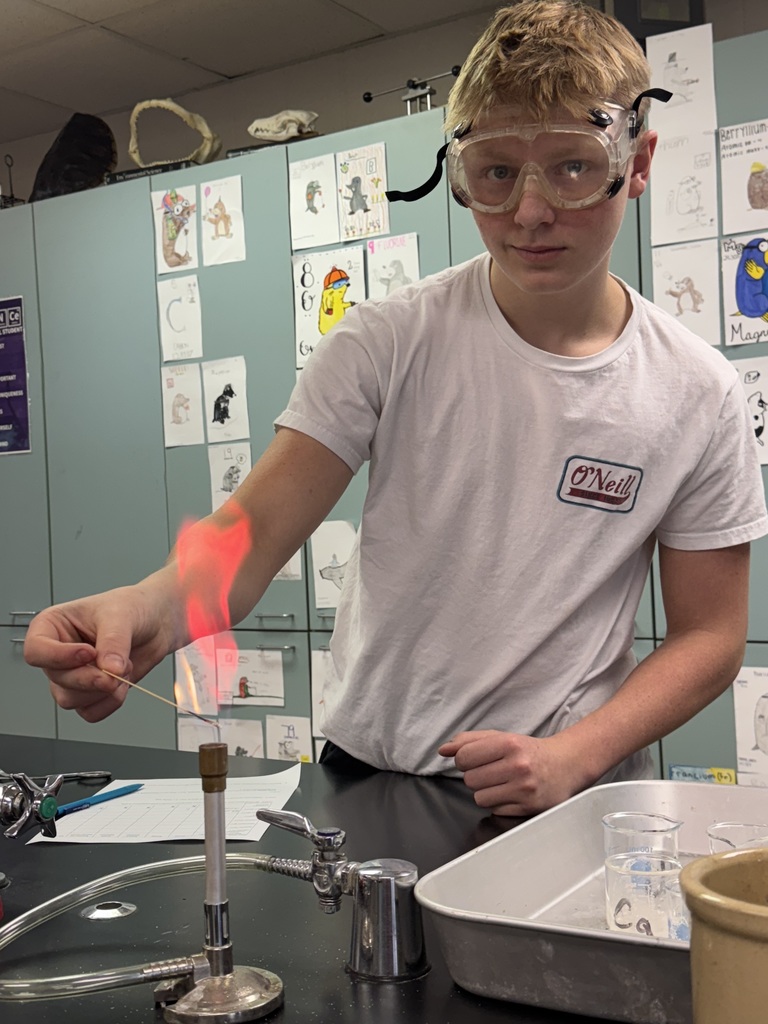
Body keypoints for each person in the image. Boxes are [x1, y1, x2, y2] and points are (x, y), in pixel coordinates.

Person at [25, 1, 768, 817]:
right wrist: (145, 613)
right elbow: (255, 533)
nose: (529, 210)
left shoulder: (696, 390)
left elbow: (709, 637)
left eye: (571, 166)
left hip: (573, 786)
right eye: (494, 172)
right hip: (371, 777)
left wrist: (572, 755)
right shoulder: (388, 341)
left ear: (637, 159)